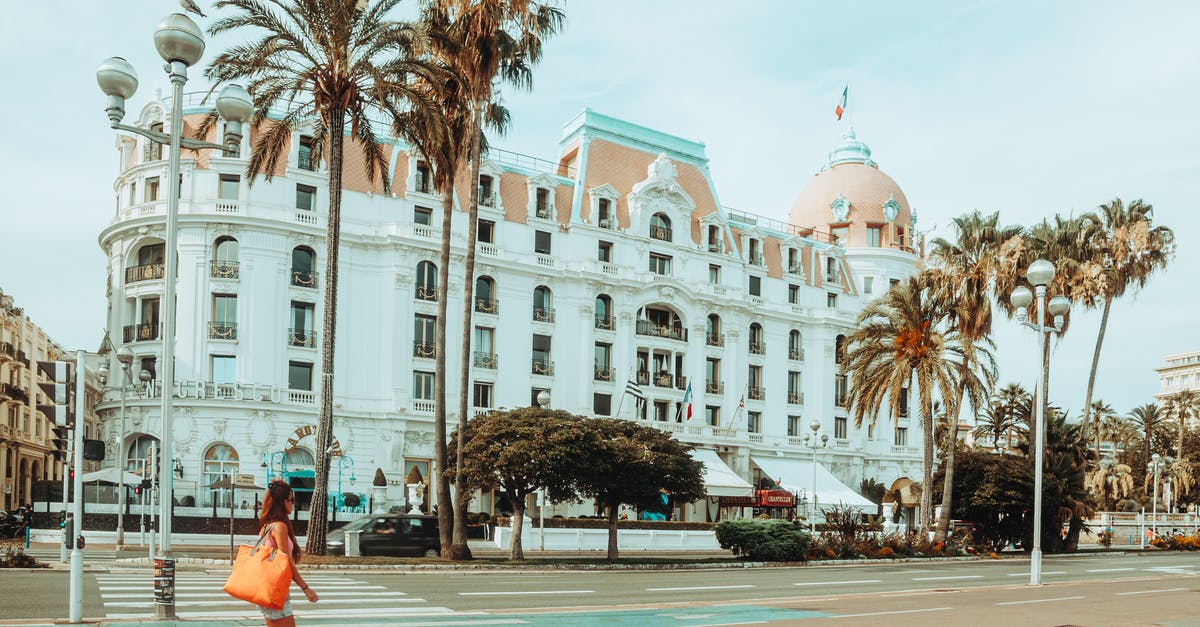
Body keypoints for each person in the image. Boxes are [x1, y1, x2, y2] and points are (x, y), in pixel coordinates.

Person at [257, 480, 318, 626]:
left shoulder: (266, 526)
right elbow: (285, 562)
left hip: (268, 588)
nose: (293, 504)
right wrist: (306, 588)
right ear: (282, 502)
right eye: (291, 500)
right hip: (275, 589)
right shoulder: (279, 527)